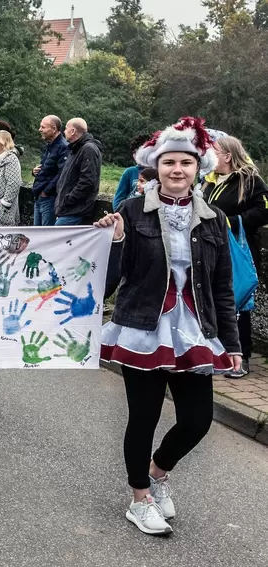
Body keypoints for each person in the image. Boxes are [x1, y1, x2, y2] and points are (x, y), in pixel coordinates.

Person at [96, 116, 241, 536]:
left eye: (185, 163)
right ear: (155, 167)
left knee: (198, 420)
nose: (177, 170)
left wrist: (231, 342)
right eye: (168, 163)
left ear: (199, 168)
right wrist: (117, 238)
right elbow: (114, 275)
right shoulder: (131, 209)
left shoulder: (214, 218)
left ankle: (158, 472)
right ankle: (139, 498)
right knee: (144, 416)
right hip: (143, 326)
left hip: (196, 331)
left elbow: (222, 287)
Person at [201, 135, 268, 378]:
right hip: (211, 249)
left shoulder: (250, 180)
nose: (209, 156)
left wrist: (230, 222)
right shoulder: (208, 181)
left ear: (228, 156)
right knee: (210, 298)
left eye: (214, 152)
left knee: (237, 301)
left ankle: (242, 356)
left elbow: (263, 211)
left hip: (239, 251)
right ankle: (215, 352)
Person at [55, 117, 102, 226]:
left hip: (75, 211)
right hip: (67, 210)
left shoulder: (88, 149)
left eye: (66, 128)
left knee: (57, 241)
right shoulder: (75, 149)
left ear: (73, 132)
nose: (64, 131)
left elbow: (88, 181)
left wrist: (68, 199)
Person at [31, 115, 68, 226]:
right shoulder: (49, 145)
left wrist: (46, 191)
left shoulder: (63, 147)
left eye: (43, 127)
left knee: (46, 235)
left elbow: (62, 174)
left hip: (49, 198)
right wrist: (34, 172)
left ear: (54, 129)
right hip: (39, 196)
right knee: (36, 234)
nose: (40, 130)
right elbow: (48, 168)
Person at [112, 134, 152, 211]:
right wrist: (120, 215)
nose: (136, 156)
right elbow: (118, 199)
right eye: (135, 153)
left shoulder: (159, 173)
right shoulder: (129, 172)